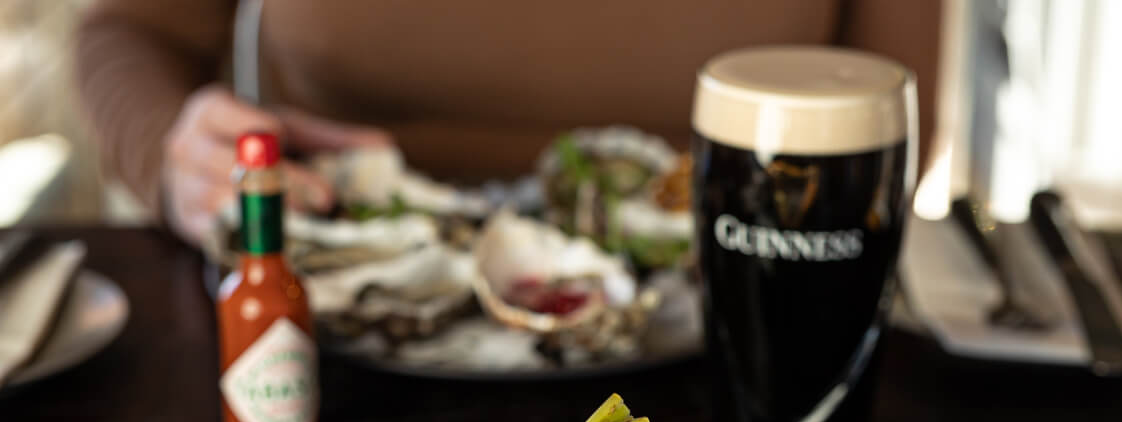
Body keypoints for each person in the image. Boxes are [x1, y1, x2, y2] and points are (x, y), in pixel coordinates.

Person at [76, 0, 941, 248]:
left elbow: (890, 129)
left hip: (730, 346)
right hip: (328, 331)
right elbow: (129, 33)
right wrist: (170, 149)